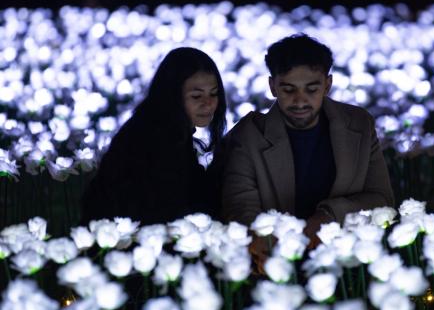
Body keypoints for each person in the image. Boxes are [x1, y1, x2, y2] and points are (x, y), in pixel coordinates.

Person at [221, 34, 394, 246]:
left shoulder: (359, 125)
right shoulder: (250, 135)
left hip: (347, 257)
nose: (300, 100)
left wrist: (330, 216)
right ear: (272, 86)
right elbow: (240, 210)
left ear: (328, 85)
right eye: (288, 89)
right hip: (273, 259)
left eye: (312, 89)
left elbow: (382, 201)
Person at [81, 47, 227, 225]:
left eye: (214, 93)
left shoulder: (167, 129)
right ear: (173, 96)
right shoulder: (154, 141)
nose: (209, 103)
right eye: (196, 96)